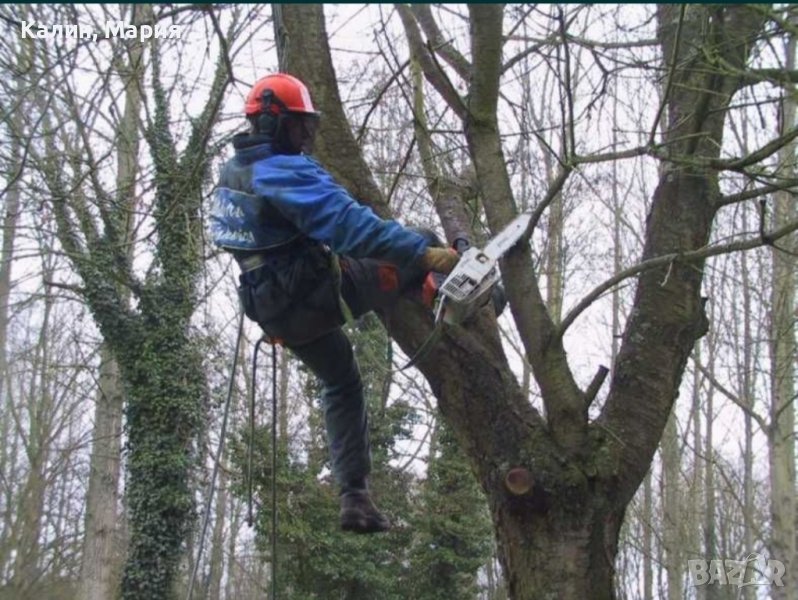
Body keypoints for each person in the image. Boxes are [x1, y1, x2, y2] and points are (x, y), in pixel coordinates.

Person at [210, 73, 459, 534]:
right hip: (313, 295)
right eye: (299, 128)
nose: (304, 139)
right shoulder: (281, 170)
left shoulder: (231, 174)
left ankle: (355, 497)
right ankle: (443, 288)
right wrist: (423, 254)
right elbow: (351, 228)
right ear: (272, 123)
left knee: (342, 379)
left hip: (271, 309)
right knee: (415, 240)